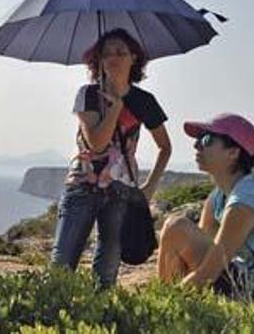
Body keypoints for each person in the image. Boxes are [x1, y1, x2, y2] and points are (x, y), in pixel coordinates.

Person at [50, 28, 172, 289]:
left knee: (106, 272)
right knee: (61, 267)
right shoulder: (88, 95)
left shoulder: (144, 101)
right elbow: (97, 143)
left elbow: (165, 147)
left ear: (134, 58)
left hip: (121, 191)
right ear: (99, 61)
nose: (113, 58)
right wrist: (115, 107)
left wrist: (150, 187)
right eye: (106, 53)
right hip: (83, 184)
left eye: (120, 52)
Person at [157, 113, 254, 299]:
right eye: (198, 140)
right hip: (243, 283)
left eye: (207, 140)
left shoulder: (245, 201)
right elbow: (200, 259)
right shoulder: (218, 197)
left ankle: (165, 310)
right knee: (176, 231)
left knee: (175, 228)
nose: (196, 145)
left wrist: (164, 304)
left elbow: (208, 274)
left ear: (233, 153)